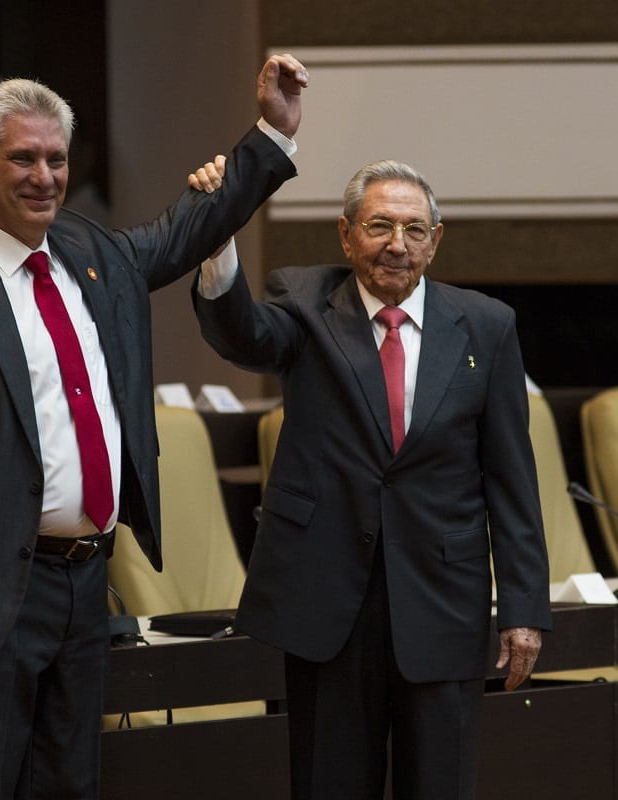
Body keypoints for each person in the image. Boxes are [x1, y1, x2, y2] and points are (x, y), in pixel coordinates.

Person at [0, 54, 308, 799]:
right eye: (23, 158)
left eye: (56, 159)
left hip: (85, 583)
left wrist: (273, 133)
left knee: (71, 787)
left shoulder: (94, 255)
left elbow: (190, 226)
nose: (44, 177)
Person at [189, 158, 551, 799]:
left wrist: (523, 608)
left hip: (443, 601)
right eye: (380, 225)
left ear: (437, 240)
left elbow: (512, 479)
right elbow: (242, 333)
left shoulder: (488, 327)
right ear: (346, 234)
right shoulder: (304, 304)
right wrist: (217, 238)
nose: (397, 244)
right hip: (330, 604)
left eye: (415, 229)